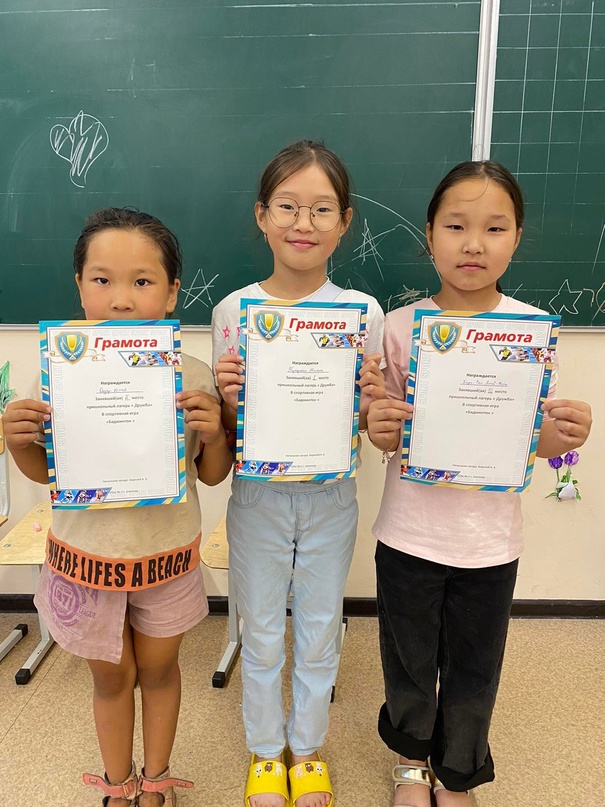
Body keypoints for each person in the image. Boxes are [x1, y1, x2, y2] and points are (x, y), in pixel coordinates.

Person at [367, 161, 592, 807]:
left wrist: (565, 436)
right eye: (455, 226)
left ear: (516, 237)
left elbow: (533, 440)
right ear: (428, 235)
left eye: (494, 228)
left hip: (489, 543)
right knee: (408, 660)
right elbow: (387, 435)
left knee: (474, 667)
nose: (473, 244)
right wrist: (378, 425)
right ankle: (412, 761)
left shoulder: (530, 329)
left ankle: (458, 771)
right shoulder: (399, 327)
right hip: (408, 534)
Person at [2, 209, 233, 807]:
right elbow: (47, 473)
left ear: (172, 292)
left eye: (142, 281)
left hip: (164, 556)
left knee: (159, 670)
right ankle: (116, 783)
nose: (121, 298)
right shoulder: (57, 371)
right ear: (79, 285)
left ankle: (155, 781)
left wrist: (215, 431)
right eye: (102, 279)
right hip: (87, 559)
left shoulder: (192, 374)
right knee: (109, 677)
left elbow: (211, 474)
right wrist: (19, 440)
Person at [212, 140, 385, 807]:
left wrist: (369, 401)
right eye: (287, 206)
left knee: (318, 627)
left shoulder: (361, 312)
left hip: (330, 496)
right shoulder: (234, 311)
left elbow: (367, 420)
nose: (302, 223)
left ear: (344, 222)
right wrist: (229, 400)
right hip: (257, 495)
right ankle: (265, 751)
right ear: (262, 215)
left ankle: (306, 750)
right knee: (258, 628)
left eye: (321, 209)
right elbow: (227, 428)